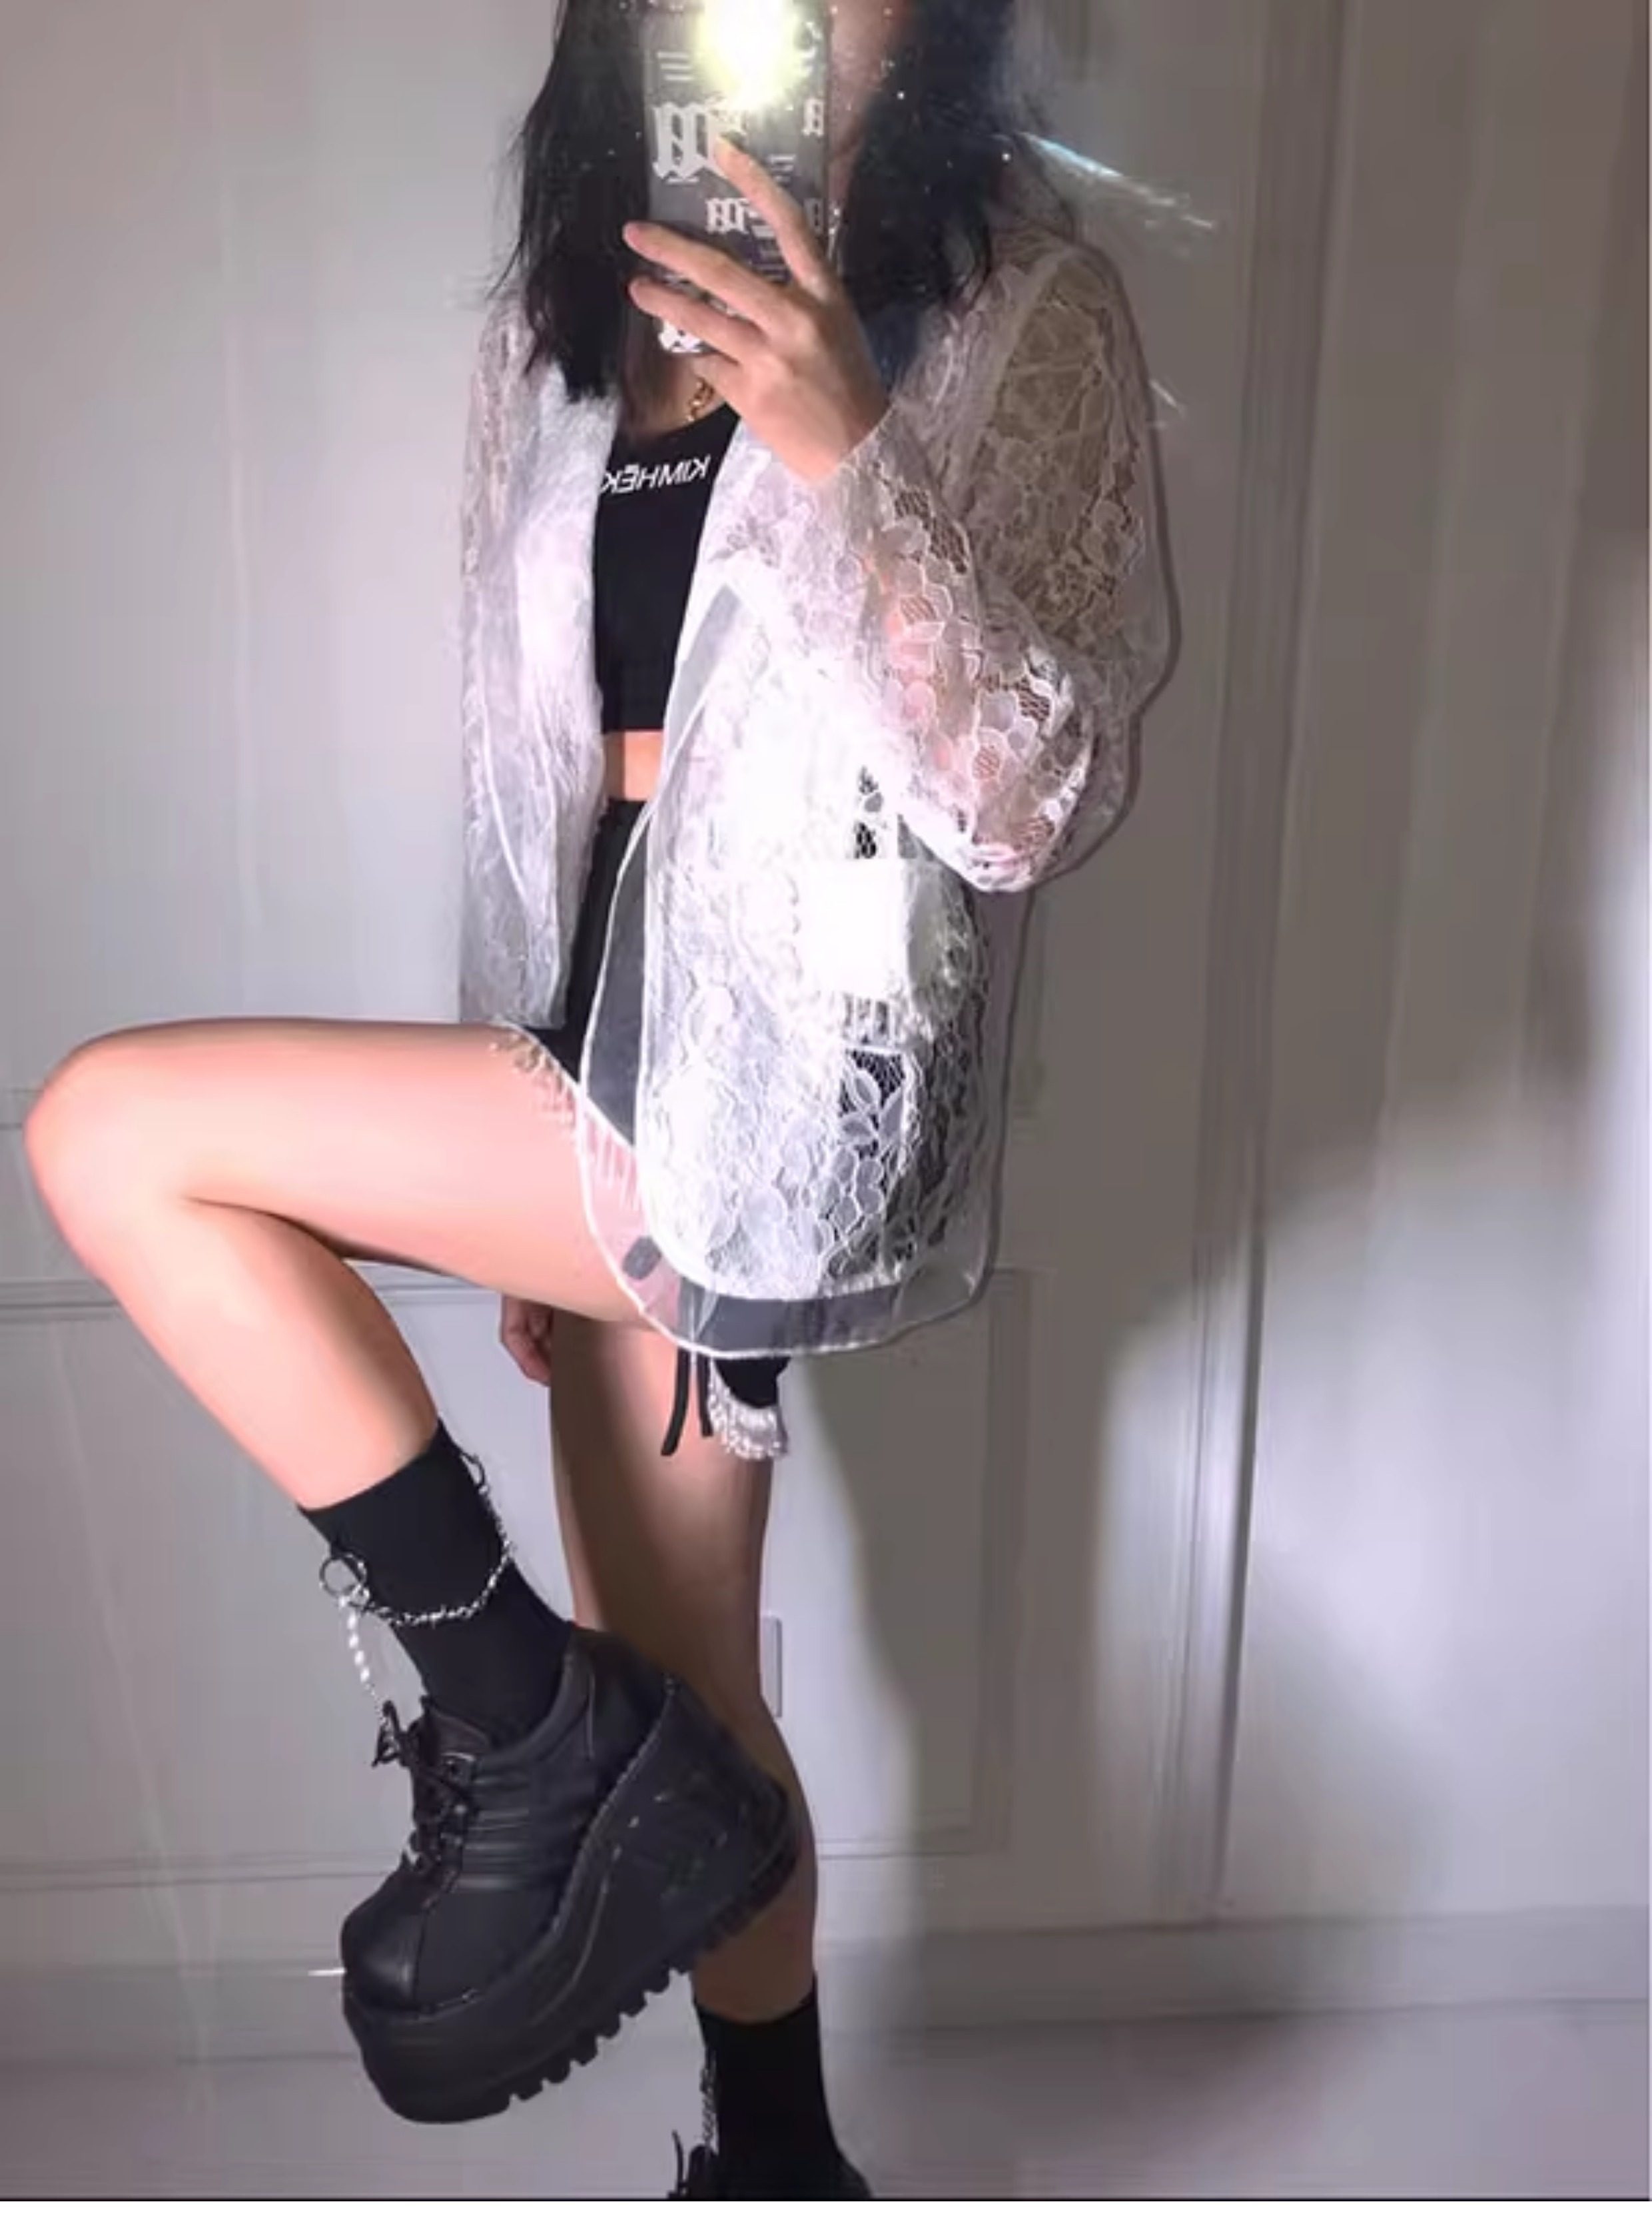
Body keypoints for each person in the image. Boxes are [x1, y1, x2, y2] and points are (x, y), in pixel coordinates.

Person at [23, 0, 1170, 2199]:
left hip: (810, 1056)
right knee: (695, 1710)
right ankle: (780, 2163)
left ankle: (520, 1728)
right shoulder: (564, 335)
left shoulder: (1025, 317)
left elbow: (1024, 798)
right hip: (590, 1025)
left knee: (112, 1133)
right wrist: (505, 1121)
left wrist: (845, 447)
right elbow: (520, 770)